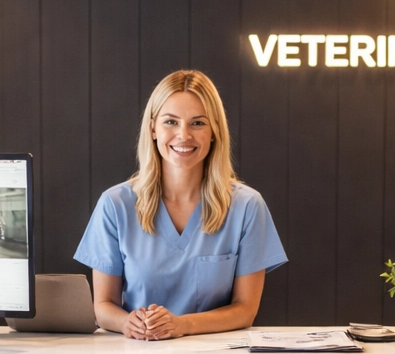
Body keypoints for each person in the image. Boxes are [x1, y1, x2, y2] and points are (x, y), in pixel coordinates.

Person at [75, 69, 286, 339]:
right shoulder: (115, 205)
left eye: (197, 123)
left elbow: (245, 309)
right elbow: (103, 306)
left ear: (214, 131)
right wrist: (128, 323)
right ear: (153, 128)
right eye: (170, 122)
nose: (183, 135)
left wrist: (182, 325)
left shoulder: (247, 206)